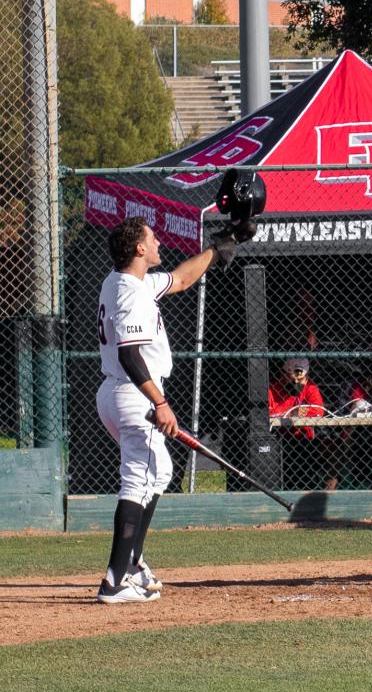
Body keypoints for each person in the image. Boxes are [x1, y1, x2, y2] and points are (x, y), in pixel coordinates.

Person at [95, 215, 233, 603]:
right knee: (137, 480)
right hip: (133, 392)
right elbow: (128, 354)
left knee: (160, 472)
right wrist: (160, 402)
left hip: (121, 392)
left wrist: (217, 248)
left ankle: (133, 562)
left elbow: (182, 278)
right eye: (152, 239)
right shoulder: (131, 293)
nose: (158, 243)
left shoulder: (124, 280)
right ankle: (114, 581)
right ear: (139, 248)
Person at [268, 357, 331, 490]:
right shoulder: (273, 388)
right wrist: (290, 412)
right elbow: (268, 412)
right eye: (292, 380)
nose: (296, 383)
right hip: (279, 438)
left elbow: (319, 410)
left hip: (303, 438)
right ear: (284, 375)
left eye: (300, 381)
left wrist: (304, 411)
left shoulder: (310, 387)